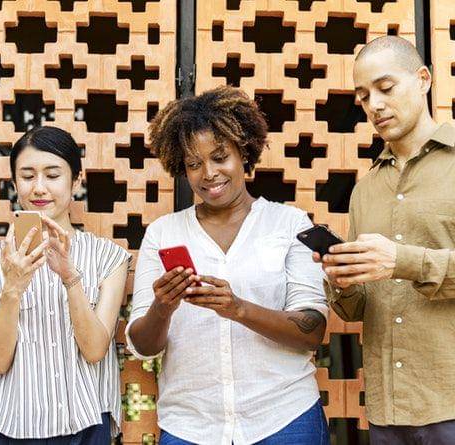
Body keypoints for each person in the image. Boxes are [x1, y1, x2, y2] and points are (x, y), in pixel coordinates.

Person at [126, 86, 330, 445]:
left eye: (220, 157)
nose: (209, 173)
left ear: (243, 152)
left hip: (284, 418)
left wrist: (239, 309)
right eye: (194, 164)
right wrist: (162, 308)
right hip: (191, 425)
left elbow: (312, 330)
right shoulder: (163, 233)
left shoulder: (289, 224)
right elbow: (143, 345)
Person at [318, 36, 455, 444]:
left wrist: (402, 261)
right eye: (363, 96)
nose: (374, 105)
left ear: (423, 79)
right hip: (387, 409)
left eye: (385, 88)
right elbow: (360, 309)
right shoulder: (366, 190)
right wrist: (342, 282)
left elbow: (399, 264)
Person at [0, 126, 130, 444]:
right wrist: (13, 287)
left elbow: (95, 350)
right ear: (15, 183)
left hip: (87, 421)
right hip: (13, 424)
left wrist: (70, 278)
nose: (39, 188)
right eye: (27, 176)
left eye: (53, 175)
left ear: (76, 180)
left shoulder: (108, 257)